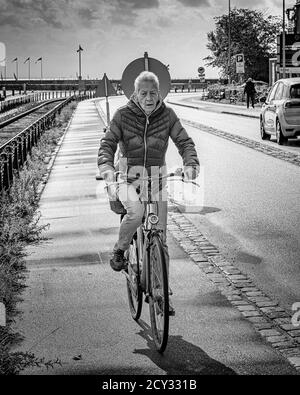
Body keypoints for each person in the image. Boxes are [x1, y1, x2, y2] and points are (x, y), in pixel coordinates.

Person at [97, 71, 200, 312]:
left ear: (160, 93)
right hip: (127, 179)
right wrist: (108, 171)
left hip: (157, 180)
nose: (149, 97)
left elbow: (184, 142)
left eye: (153, 92)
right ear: (135, 94)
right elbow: (107, 145)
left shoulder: (167, 115)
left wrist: (190, 164)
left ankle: (161, 292)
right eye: (144, 93)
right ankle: (120, 250)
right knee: (136, 211)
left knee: (160, 240)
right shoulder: (122, 116)